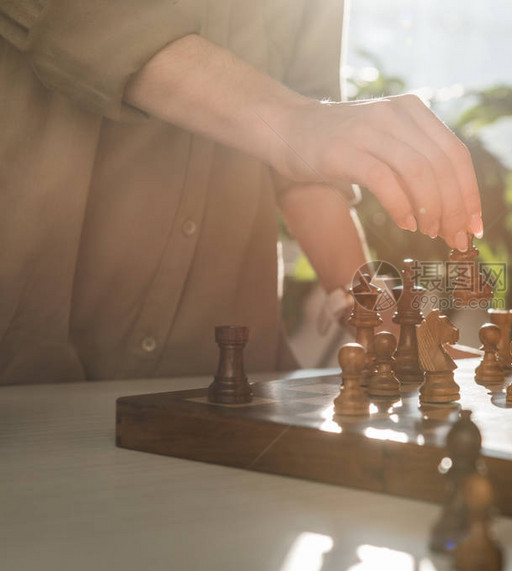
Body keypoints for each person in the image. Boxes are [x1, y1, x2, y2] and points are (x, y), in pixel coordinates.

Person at [0, 0, 483, 384]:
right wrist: (297, 121)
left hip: (230, 374)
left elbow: (308, 157)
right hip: (33, 368)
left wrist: (377, 312)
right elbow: (78, 17)